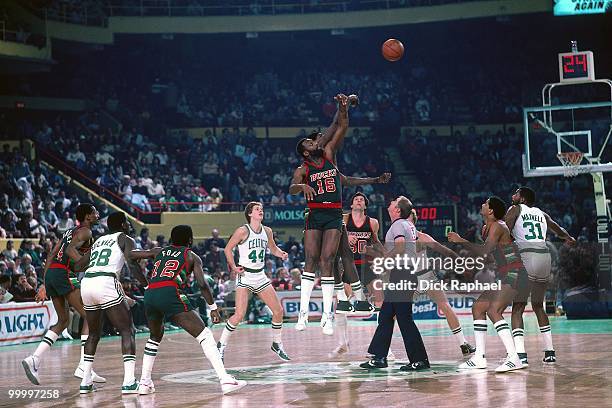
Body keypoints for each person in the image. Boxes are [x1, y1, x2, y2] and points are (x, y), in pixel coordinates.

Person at [290, 94, 389, 335]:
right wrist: (302, 187)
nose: (315, 143)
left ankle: (328, 315)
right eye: (310, 143)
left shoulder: (329, 155)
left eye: (315, 141)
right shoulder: (303, 169)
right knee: (311, 260)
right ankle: (303, 314)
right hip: (314, 215)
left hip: (334, 215)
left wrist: (342, 107)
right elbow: (292, 188)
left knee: (328, 259)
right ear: (304, 152)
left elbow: (339, 126)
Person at [137, 225, 246, 395]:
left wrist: (142, 281)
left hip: (150, 293)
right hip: (170, 292)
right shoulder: (191, 255)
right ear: (190, 240)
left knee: (154, 337)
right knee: (205, 335)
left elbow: (131, 256)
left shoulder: (158, 251)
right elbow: (202, 285)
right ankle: (225, 379)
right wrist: (213, 308)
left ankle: (144, 383)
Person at [22, 204, 106, 385]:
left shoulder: (69, 232)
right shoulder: (86, 232)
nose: (97, 214)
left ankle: (34, 359)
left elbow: (52, 254)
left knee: (63, 321)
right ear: (87, 216)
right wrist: (90, 264)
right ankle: (84, 367)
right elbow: (71, 254)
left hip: (53, 272)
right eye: (94, 212)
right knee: (91, 315)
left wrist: (45, 283)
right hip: (62, 273)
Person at [78, 212, 160, 394]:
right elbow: (132, 262)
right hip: (106, 281)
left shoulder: (98, 240)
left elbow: (79, 265)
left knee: (93, 334)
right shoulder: (125, 238)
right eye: (128, 223)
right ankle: (129, 382)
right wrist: (147, 285)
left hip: (87, 282)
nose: (130, 225)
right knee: (127, 330)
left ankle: (85, 382)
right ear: (123, 225)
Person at [448, 196, 528, 372]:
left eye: (485, 204)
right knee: (478, 308)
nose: (482, 205)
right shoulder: (487, 228)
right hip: (506, 273)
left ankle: (514, 357)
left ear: (490, 210)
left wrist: (461, 241)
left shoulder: (498, 226)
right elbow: (490, 255)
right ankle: (479, 358)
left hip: (516, 272)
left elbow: (484, 252)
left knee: (494, 310)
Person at [504, 187, 575, 365]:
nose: (513, 196)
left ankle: (520, 354)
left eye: (516, 193)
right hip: (544, 257)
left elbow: (504, 230)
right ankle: (550, 352)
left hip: (527, 255)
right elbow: (559, 230)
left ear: (522, 198)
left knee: (518, 307)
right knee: (538, 306)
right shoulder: (541, 213)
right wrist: (569, 238)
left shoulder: (515, 209)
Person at [360, 196, 430, 371]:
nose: (390, 203)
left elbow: (398, 248)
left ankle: (420, 360)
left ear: (397, 210)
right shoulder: (406, 225)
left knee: (404, 319)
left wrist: (383, 260)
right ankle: (379, 357)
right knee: (385, 316)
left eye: (393, 202)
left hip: (403, 274)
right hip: (403, 274)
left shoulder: (398, 224)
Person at [218, 202, 290, 362]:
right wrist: (233, 267)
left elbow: (272, 248)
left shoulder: (267, 231)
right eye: (257, 209)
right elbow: (227, 248)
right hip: (245, 276)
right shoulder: (242, 231)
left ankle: (277, 344)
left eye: (262, 209)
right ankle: (221, 345)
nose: (261, 211)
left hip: (260, 276)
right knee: (239, 315)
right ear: (250, 214)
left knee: (278, 311)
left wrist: (281, 254)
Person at [407, 209, 476, 357]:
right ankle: (463, 343)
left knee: (445, 307)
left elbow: (447, 252)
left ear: (412, 221)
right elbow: (448, 253)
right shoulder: (419, 237)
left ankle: (463, 343)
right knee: (445, 307)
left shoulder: (415, 237)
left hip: (419, 278)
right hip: (422, 277)